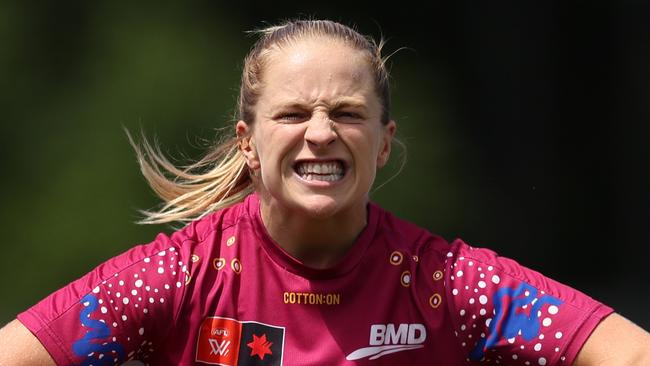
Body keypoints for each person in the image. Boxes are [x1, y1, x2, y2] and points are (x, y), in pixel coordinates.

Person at [0, 19, 649, 366]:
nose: (320, 133)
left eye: (345, 112)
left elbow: (629, 353)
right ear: (248, 142)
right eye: (291, 115)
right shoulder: (179, 277)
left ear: (384, 142)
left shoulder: (448, 285)